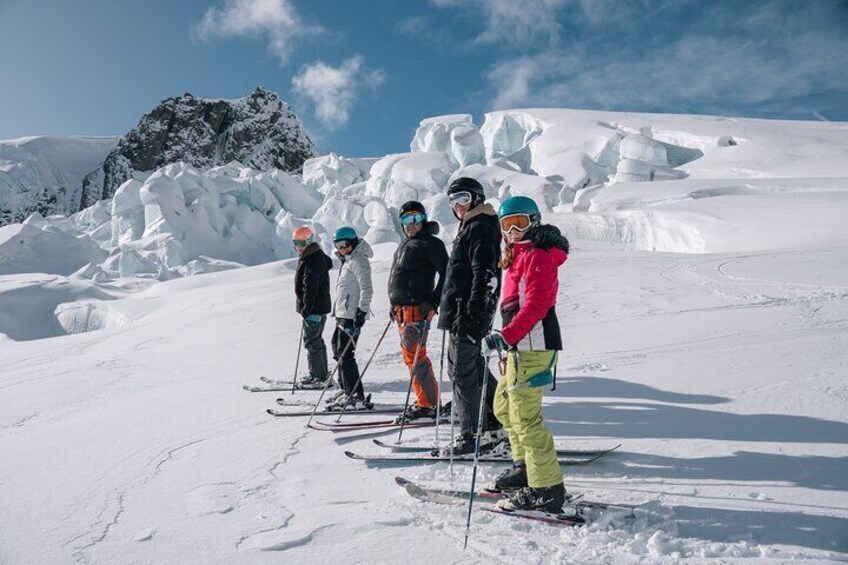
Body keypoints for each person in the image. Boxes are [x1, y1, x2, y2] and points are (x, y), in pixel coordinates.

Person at [481, 195, 572, 515]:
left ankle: (547, 489)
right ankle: (524, 468)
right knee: (503, 406)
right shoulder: (519, 256)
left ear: (534, 221)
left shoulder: (538, 256)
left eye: (520, 222)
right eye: (507, 224)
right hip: (517, 349)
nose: (513, 231)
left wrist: (505, 336)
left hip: (532, 347)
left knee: (526, 419)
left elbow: (536, 306)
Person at [434, 177, 505, 456]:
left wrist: (475, 315)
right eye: (452, 202)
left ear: (475, 198)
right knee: (471, 370)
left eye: (462, 199)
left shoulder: (480, 228)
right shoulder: (472, 226)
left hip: (467, 314)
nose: (458, 206)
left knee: (463, 373)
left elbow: (485, 275)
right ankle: (496, 425)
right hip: (461, 313)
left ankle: (473, 435)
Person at [388, 201, 449, 423]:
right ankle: (427, 401)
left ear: (423, 220)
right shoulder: (407, 244)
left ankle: (429, 406)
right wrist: (393, 304)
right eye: (406, 220)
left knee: (415, 357)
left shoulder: (430, 244)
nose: (411, 224)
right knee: (411, 357)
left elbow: (447, 273)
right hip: (402, 311)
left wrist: (433, 302)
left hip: (417, 310)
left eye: (415, 219)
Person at [327, 226, 374, 409]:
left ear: (353, 243)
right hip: (342, 314)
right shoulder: (348, 260)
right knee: (337, 350)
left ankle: (355, 395)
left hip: (351, 316)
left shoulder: (358, 260)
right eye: (338, 245)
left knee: (346, 354)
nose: (342, 248)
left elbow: (367, 288)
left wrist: (362, 311)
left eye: (345, 244)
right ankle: (346, 388)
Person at [292, 226, 334, 389]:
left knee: (311, 341)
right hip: (318, 307)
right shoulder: (314, 256)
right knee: (316, 340)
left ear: (310, 241)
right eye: (297, 242)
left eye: (303, 242)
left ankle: (318, 376)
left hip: (314, 308)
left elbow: (310, 286)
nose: (300, 246)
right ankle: (320, 373)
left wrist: (307, 307)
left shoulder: (311, 259)